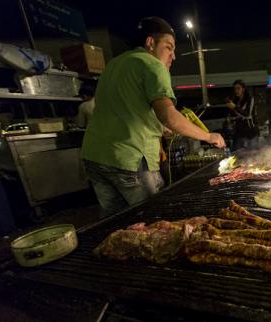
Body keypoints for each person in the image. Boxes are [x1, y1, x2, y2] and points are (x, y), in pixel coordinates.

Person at [81, 16, 225, 217]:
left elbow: (126, 108)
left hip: (94, 157)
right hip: (129, 159)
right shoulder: (152, 64)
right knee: (154, 220)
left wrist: (157, 128)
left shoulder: (113, 65)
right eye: (169, 47)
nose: (173, 56)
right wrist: (209, 136)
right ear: (150, 43)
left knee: (115, 222)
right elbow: (169, 116)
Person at [225, 79, 258, 150]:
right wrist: (230, 120)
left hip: (250, 133)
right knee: (237, 154)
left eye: (238, 88)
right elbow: (235, 116)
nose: (236, 91)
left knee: (253, 155)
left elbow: (247, 114)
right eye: (235, 89)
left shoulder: (250, 99)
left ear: (243, 89)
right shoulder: (235, 101)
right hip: (239, 132)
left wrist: (234, 107)